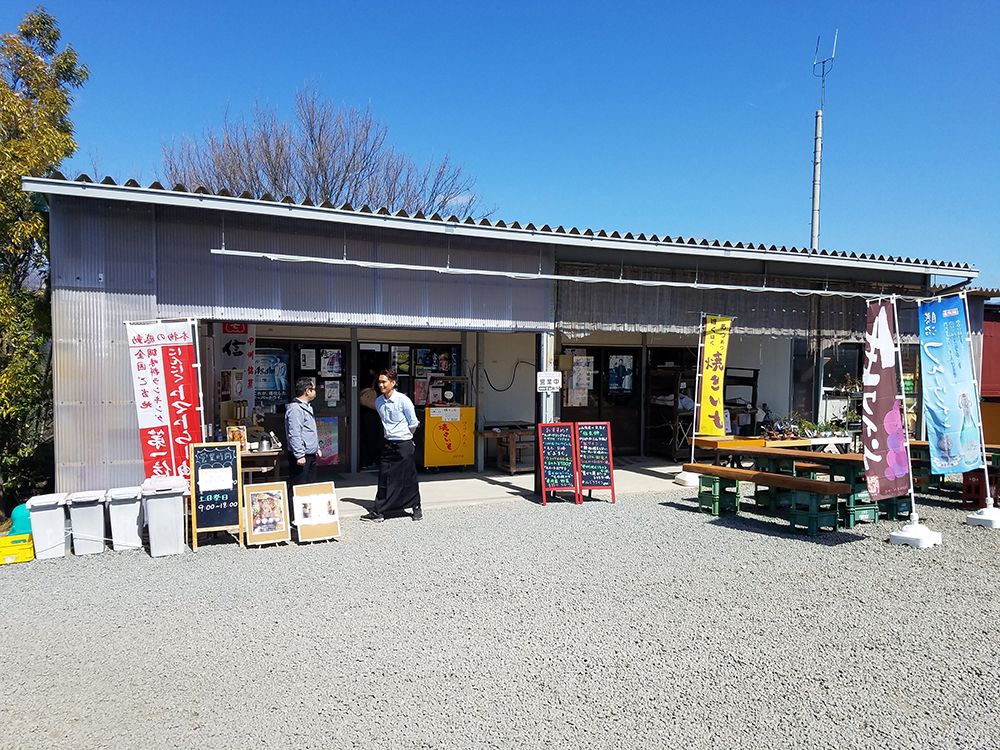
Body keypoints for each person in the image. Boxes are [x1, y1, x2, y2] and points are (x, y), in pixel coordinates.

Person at [362, 368, 422, 522]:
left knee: (408, 477)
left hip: (403, 442)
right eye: (380, 382)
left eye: (384, 382)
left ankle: (416, 507)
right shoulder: (378, 401)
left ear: (393, 383)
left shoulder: (403, 400)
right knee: (384, 476)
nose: (381, 385)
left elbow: (413, 423)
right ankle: (379, 510)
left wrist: (408, 437)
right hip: (388, 442)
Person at [285, 377, 321, 486]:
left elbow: (310, 431)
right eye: (313, 389)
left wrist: (316, 448)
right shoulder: (295, 409)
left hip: (310, 453)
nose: (315, 391)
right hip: (301, 455)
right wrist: (300, 455)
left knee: (309, 486)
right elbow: (294, 433)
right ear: (307, 391)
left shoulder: (307, 407)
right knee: (299, 486)